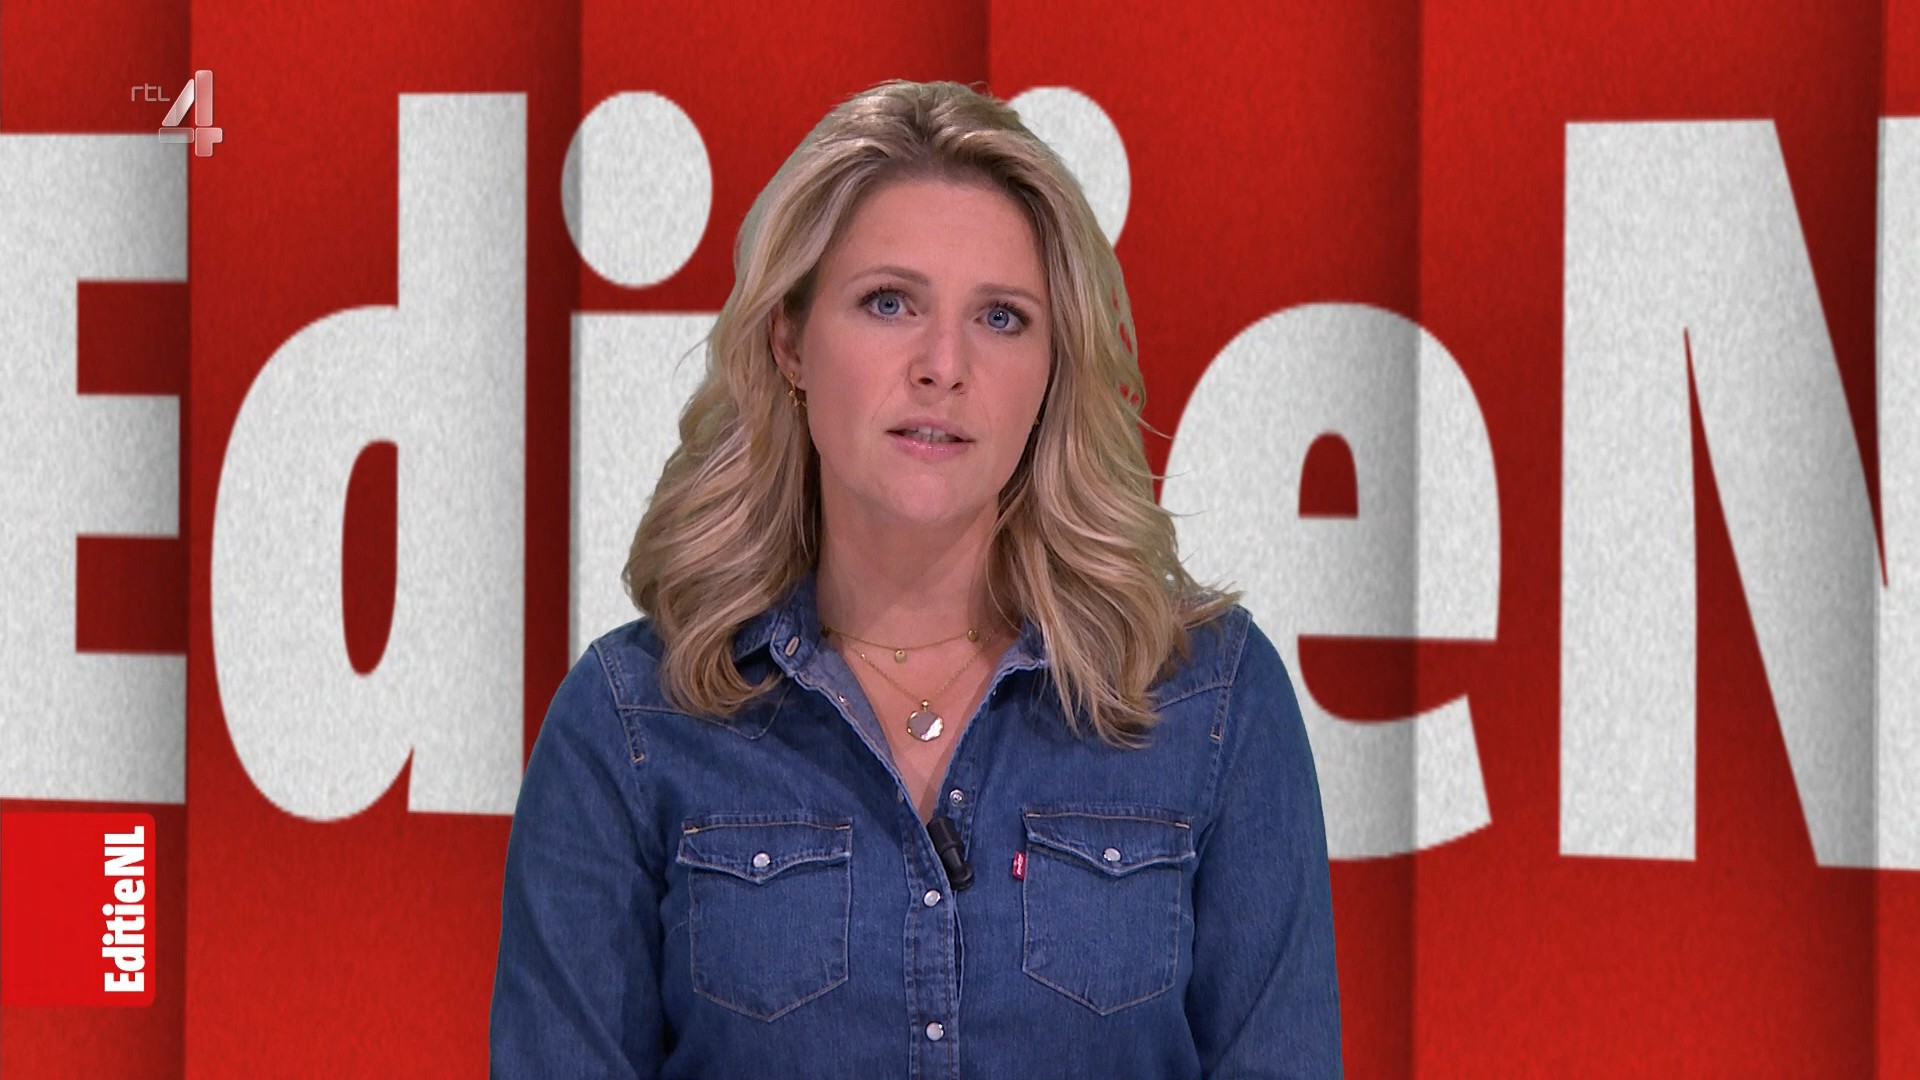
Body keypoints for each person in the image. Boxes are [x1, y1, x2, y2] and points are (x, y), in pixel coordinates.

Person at [488, 78, 1341, 1078]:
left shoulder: (1208, 703)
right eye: (889, 303)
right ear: (790, 341)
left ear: (1052, 372)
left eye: (1002, 318)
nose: (943, 365)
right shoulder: (633, 724)